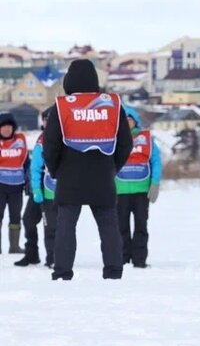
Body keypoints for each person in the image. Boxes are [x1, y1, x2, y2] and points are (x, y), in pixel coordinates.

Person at [42, 60, 133, 280]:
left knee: (65, 225)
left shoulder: (62, 106)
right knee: (109, 224)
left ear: (68, 81)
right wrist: (112, 167)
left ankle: (63, 271)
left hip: (70, 175)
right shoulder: (112, 105)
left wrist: (56, 171)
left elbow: (50, 145)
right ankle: (113, 270)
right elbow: (125, 143)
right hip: (102, 174)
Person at [115, 107, 162, 268]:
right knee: (121, 226)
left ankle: (139, 259)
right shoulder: (115, 138)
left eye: (130, 119)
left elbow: (155, 161)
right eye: (124, 119)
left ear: (136, 121)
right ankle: (122, 257)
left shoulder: (147, 138)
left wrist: (155, 183)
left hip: (142, 190)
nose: (127, 122)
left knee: (141, 225)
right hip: (120, 190)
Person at [15, 108, 57, 268]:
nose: (47, 122)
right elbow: (35, 167)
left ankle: (53, 257)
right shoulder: (41, 139)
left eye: (50, 119)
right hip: (38, 189)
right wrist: (35, 188)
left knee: (50, 226)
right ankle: (32, 254)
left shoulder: (63, 138)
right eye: (45, 119)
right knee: (28, 220)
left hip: (51, 191)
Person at [0, 112, 28, 255]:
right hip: (0, 186)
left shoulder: (20, 141)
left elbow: (26, 163)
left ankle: (14, 247)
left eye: (9, 126)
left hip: (17, 187)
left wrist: (28, 179)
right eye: (3, 127)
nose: (6, 129)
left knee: (15, 216)